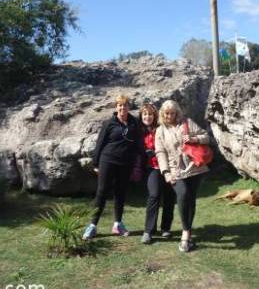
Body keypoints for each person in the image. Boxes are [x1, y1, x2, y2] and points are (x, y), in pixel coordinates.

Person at [83, 94, 143, 240]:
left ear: (129, 107)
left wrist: (143, 158)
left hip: (126, 163)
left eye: (125, 105)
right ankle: (92, 225)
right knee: (102, 192)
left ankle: (118, 224)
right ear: (116, 107)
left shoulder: (134, 122)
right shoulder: (109, 123)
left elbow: (138, 143)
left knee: (120, 193)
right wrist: (96, 164)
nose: (122, 108)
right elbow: (100, 144)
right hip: (108, 161)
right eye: (120, 105)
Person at [155, 100, 210, 252]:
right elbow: (160, 153)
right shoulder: (160, 131)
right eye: (166, 113)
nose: (169, 116)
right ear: (162, 114)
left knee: (191, 201)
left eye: (172, 113)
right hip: (175, 170)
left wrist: (195, 139)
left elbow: (206, 136)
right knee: (182, 195)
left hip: (195, 168)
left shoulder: (187, 122)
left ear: (177, 112)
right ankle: (185, 232)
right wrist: (165, 172)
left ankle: (188, 232)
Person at [138, 103, 176, 245]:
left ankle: (166, 228)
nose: (147, 117)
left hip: (168, 166)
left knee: (170, 196)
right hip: (151, 168)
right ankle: (148, 231)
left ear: (154, 116)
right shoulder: (138, 131)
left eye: (150, 114)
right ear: (141, 116)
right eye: (145, 114)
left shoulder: (161, 129)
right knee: (154, 195)